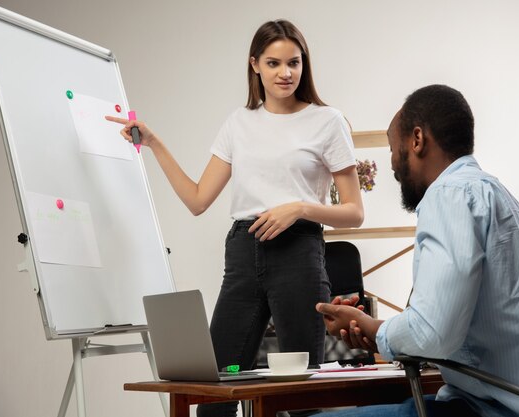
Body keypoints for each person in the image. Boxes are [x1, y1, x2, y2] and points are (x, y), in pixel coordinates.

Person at [107, 20, 364, 417]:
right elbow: (197, 200)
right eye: (274, 63)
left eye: (294, 62)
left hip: (299, 252)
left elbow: (354, 212)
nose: (285, 73)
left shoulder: (327, 121)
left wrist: (299, 207)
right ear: (255, 65)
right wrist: (154, 144)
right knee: (214, 393)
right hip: (244, 254)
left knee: (300, 396)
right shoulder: (239, 123)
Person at [315, 85, 519, 417]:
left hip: (502, 410)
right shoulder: (494, 195)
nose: (392, 164)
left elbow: (431, 333)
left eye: (393, 148)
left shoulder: (449, 195)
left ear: (417, 140)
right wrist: (371, 331)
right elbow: (449, 327)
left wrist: (374, 329)